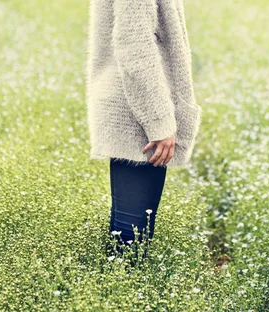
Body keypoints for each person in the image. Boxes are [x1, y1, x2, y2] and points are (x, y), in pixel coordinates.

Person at [85, 0, 203, 264]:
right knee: (132, 237)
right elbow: (135, 44)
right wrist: (159, 122)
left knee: (132, 231)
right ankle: (120, 295)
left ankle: (118, 290)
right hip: (136, 111)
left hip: (134, 104)